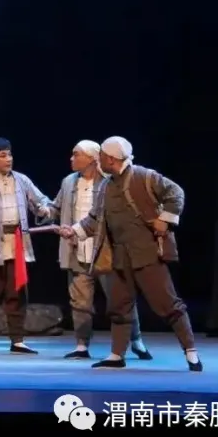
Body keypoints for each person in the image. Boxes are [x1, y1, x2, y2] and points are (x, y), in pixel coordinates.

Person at [59, 136, 201, 371]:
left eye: (101, 156)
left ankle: (191, 351)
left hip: (147, 255)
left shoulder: (144, 176)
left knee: (168, 304)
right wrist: (73, 231)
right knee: (119, 306)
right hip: (119, 257)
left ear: (111, 159)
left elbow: (175, 193)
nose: (99, 160)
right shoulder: (106, 185)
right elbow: (95, 218)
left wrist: (166, 220)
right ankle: (117, 355)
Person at [51, 140, 150, 360]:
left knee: (120, 299)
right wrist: (43, 210)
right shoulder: (68, 182)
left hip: (105, 251)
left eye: (76, 154)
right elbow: (56, 207)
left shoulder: (109, 182)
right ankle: (81, 344)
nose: (71, 158)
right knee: (79, 301)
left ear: (92, 159)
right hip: (77, 249)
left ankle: (136, 340)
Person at [0, 137, 54, 354]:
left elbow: (41, 200)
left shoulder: (21, 180)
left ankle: (17, 340)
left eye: (9, 154)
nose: (8, 159)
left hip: (17, 243)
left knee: (16, 293)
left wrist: (44, 209)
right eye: (3, 155)